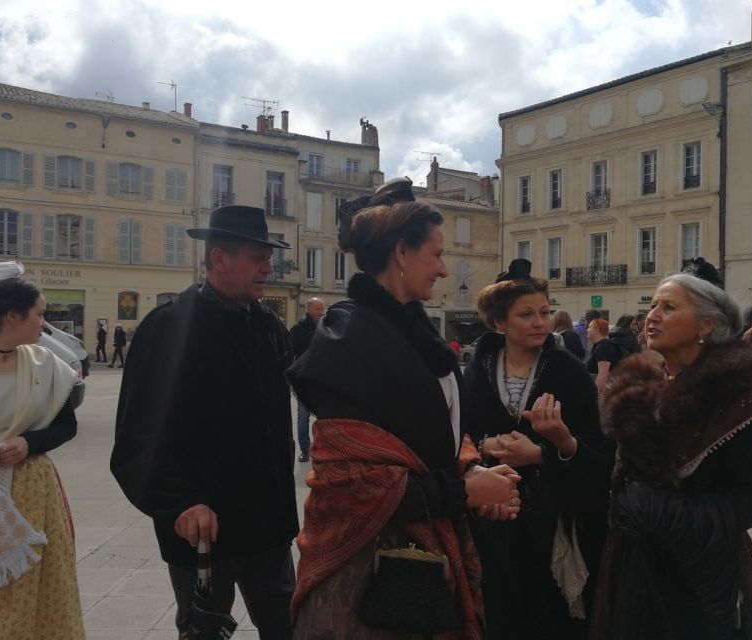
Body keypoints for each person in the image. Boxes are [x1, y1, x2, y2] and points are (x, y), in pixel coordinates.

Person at [286, 177, 521, 639]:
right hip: (369, 577)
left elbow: (435, 435)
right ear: (400, 254)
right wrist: (464, 492)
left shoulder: (411, 332)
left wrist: (472, 470)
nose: (444, 270)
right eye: (435, 255)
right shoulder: (346, 339)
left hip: (421, 552)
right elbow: (348, 480)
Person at [110, 205, 299, 640]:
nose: (269, 268)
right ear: (219, 258)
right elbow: (138, 436)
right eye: (258, 257)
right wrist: (179, 503)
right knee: (204, 632)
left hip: (268, 526)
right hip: (203, 532)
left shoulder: (269, 326)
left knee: (290, 626)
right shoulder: (168, 328)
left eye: (270, 258)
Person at [590, 273, 752, 640]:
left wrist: (660, 511)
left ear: (707, 325)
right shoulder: (647, 388)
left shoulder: (739, 397)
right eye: (652, 306)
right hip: (633, 564)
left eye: (669, 307)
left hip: (700, 576)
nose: (652, 316)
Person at [462, 259, 608, 639]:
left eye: (544, 312)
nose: (540, 322)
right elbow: (458, 433)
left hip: (552, 523)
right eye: (526, 314)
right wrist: (484, 445)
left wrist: (544, 451)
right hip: (489, 520)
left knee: (547, 618)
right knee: (496, 613)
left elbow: (597, 453)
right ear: (500, 323)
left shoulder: (569, 371)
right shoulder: (477, 366)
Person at [0, 261, 85, 639]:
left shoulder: (46, 365)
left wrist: (28, 443)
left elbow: (66, 426)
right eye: (39, 314)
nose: (45, 324)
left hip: (31, 490)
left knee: (41, 583)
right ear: (12, 316)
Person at [289, 297, 325, 462]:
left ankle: (324, 449)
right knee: (303, 418)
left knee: (324, 418)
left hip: (322, 381)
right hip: (303, 380)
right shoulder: (297, 330)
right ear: (308, 309)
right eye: (318, 309)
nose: (322, 312)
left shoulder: (327, 329)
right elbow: (289, 355)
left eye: (322, 309)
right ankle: (305, 449)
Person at [586, 318, 626, 392]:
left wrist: (595, 395)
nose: (587, 330)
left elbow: (603, 375)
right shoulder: (601, 346)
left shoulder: (604, 347)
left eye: (590, 327)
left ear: (597, 330)